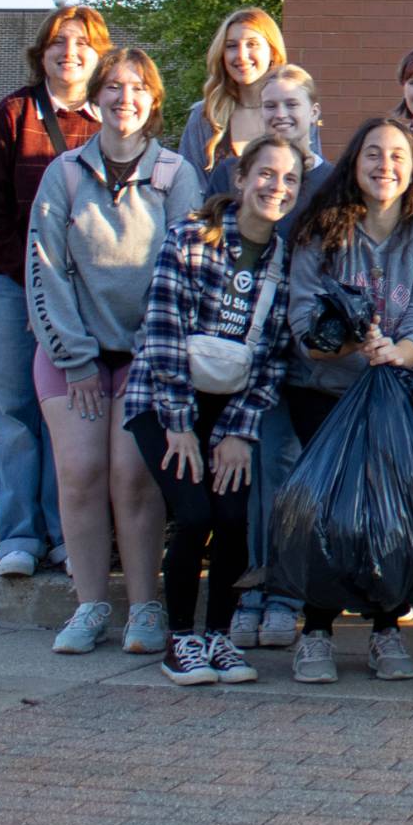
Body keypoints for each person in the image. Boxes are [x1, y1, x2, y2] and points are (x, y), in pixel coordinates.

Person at [25, 47, 205, 656]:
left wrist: (154, 357)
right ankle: (89, 605)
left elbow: (187, 274)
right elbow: (44, 268)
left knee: (134, 478)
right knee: (80, 475)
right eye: (113, 87)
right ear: (96, 97)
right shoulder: (65, 174)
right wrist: (74, 357)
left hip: (146, 358)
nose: (125, 98)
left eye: (138, 88)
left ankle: (146, 607)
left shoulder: (175, 175)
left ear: (154, 101)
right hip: (72, 354)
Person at [124, 135, 304, 685]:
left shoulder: (283, 262)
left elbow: (272, 359)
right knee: (195, 514)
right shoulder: (190, 237)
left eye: (290, 179)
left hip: (230, 411)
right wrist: (179, 424)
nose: (277, 187)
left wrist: (238, 433)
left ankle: (219, 636)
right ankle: (181, 638)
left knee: (232, 519)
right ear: (241, 178)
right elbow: (162, 332)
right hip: (162, 401)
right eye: (266, 174)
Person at [282, 117, 413, 683]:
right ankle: (316, 630)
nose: (385, 166)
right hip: (324, 392)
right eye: (373, 154)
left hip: (393, 392)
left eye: (398, 156)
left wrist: (397, 352)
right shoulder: (320, 232)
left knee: (390, 511)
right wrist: (352, 342)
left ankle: (385, 627)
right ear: (354, 164)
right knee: (327, 513)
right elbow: (304, 326)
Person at [0, 4, 110, 578]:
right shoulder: (13, 114)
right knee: (14, 410)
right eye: (59, 42)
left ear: (99, 55)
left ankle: (66, 535)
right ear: (42, 52)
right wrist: (33, 287)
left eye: (82, 43)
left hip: (81, 297)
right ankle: (20, 537)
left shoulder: (110, 121)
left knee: (69, 412)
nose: (70, 52)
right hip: (7, 285)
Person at [228, 63, 330, 652]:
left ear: (314, 112)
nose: (281, 114)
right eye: (271, 105)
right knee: (264, 476)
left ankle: (288, 597)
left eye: (293, 104)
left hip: (315, 362)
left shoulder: (334, 181)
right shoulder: (250, 172)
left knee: (301, 479)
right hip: (256, 355)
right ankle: (254, 592)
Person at [180, 8, 292, 195]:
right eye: (231, 46)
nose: (241, 55)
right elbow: (189, 191)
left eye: (252, 44)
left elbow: (311, 182)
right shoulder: (205, 116)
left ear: (272, 52)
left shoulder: (293, 114)